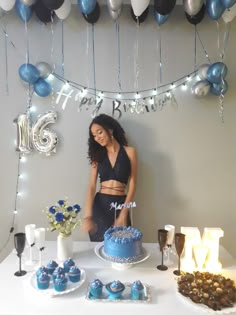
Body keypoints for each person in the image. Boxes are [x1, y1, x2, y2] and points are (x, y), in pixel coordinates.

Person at [82, 113, 137, 242]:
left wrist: (124, 213)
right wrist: (88, 217)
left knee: (120, 249)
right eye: (94, 136)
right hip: (100, 207)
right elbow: (91, 187)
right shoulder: (97, 156)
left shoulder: (130, 152)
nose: (97, 138)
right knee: (99, 250)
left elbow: (133, 184)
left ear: (110, 129)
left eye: (99, 132)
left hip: (120, 206)